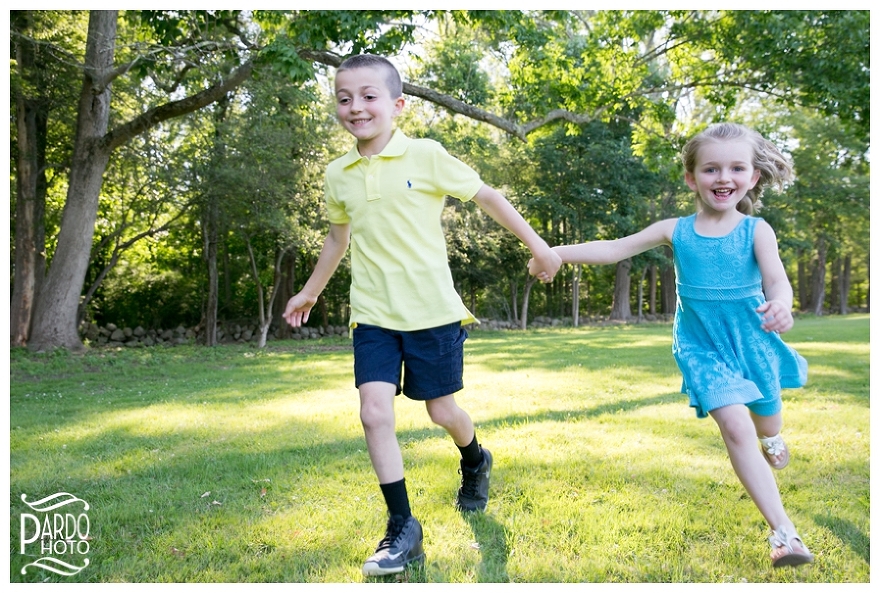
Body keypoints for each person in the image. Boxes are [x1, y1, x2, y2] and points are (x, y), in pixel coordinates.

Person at [283, 54, 562, 577]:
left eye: (369, 96)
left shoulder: (426, 155)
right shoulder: (337, 174)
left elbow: (487, 196)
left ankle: (475, 459)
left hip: (432, 311)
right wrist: (309, 292)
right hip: (372, 314)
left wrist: (539, 244)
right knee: (373, 413)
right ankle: (402, 527)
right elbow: (337, 239)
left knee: (441, 411)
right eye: (344, 98)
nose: (356, 107)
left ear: (397, 104)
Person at [531, 122, 813, 568]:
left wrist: (782, 305)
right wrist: (557, 251)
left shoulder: (757, 230)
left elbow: (777, 280)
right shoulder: (675, 229)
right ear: (691, 177)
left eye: (736, 168)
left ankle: (774, 439)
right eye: (711, 169)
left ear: (753, 177)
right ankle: (785, 535)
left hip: (752, 340)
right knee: (736, 427)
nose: (724, 178)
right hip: (700, 346)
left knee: (765, 422)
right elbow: (614, 248)